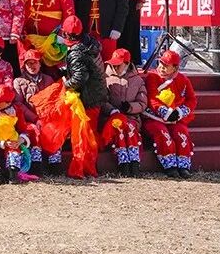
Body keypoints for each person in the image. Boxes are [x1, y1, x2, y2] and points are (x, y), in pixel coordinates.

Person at [32, 16, 107, 180]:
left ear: (66, 34)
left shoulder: (76, 52)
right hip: (96, 94)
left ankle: (80, 169)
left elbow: (80, 77)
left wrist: (66, 84)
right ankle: (89, 168)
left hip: (86, 98)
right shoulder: (90, 44)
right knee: (90, 133)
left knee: (82, 135)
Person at [143, 50, 197, 178]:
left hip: (176, 118)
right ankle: (169, 165)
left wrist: (180, 112)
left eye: (166, 65)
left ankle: (183, 166)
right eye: (161, 63)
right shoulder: (152, 77)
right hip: (154, 117)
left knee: (181, 134)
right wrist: (165, 112)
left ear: (175, 68)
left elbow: (192, 99)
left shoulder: (183, 80)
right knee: (162, 133)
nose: (162, 67)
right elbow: (152, 98)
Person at [102, 48, 147, 178]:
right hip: (112, 117)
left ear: (127, 64)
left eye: (118, 65)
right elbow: (102, 100)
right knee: (120, 129)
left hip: (131, 117)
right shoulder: (105, 79)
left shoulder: (137, 81)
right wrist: (111, 110)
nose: (115, 68)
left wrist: (130, 107)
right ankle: (123, 163)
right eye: (113, 65)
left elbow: (143, 102)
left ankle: (134, 162)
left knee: (130, 128)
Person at [12, 48, 58, 174]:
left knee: (54, 130)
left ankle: (55, 164)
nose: (32, 66)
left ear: (40, 64)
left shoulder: (48, 79)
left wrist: (46, 117)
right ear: (24, 65)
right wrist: (35, 118)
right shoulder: (18, 81)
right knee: (33, 131)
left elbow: (53, 101)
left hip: (46, 117)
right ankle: (36, 165)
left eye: (35, 62)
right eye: (29, 63)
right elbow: (18, 103)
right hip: (28, 119)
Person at [24, 0, 75, 68]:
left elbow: (69, 13)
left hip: (51, 34)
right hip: (32, 31)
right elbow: (28, 6)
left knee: (50, 66)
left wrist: (63, 34)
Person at [0, 84, 34, 184]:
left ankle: (13, 171)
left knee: (14, 144)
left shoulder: (16, 111)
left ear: (8, 103)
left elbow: (23, 129)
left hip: (9, 142)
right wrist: (1, 142)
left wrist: (20, 140)